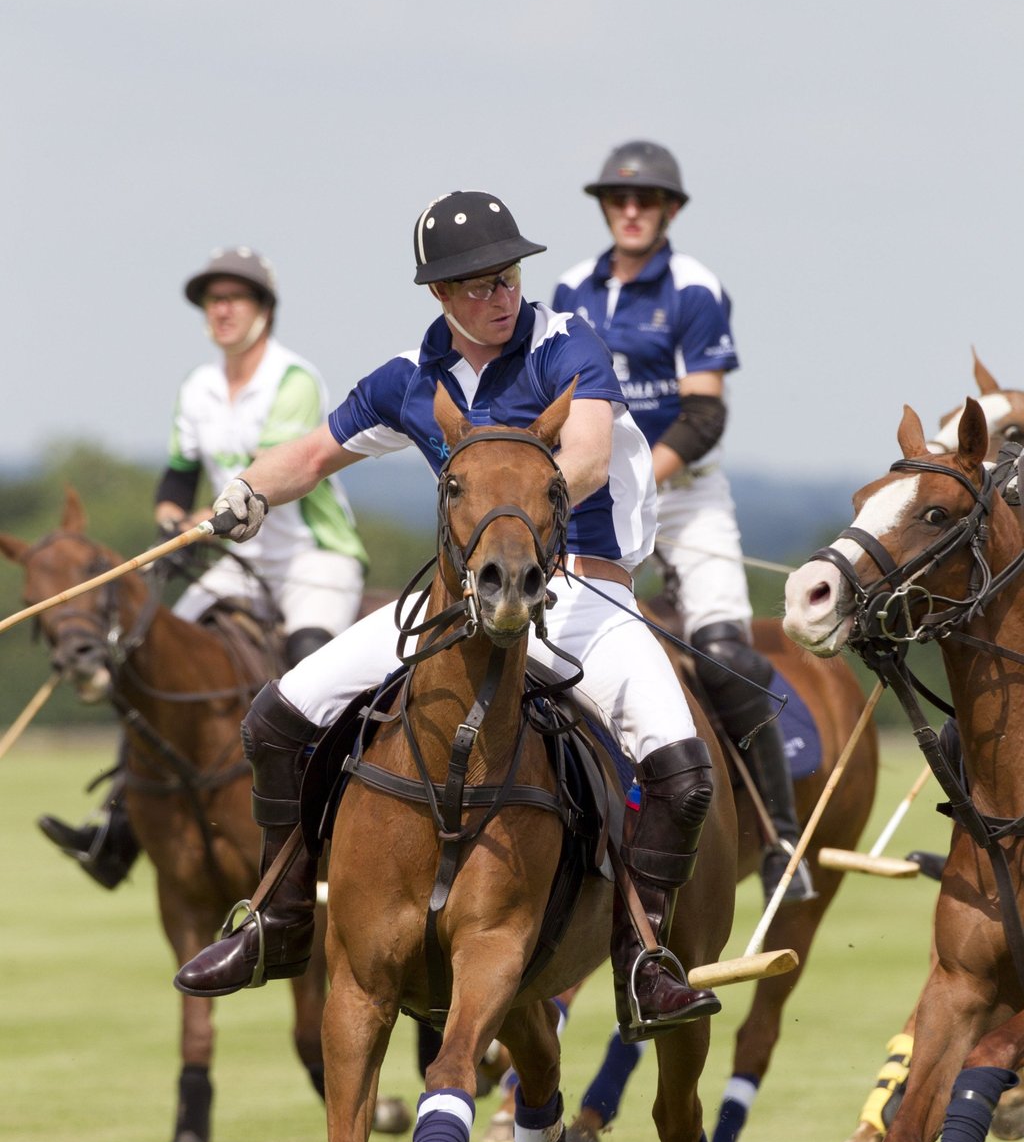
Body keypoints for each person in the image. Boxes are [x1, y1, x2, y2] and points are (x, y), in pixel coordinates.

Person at [174, 190, 721, 1043]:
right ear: (438, 295)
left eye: (506, 278)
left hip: (579, 588)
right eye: (475, 286)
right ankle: (278, 924)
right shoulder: (410, 376)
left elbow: (579, 456)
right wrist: (247, 492)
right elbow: (314, 453)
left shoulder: (567, 344)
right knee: (276, 719)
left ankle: (644, 961)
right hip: (452, 603)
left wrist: (515, 510)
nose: (498, 297)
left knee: (684, 772)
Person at [39, 246, 368, 889]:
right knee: (144, 651)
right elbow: (180, 469)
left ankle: (334, 825)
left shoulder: (292, 378)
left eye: (234, 298)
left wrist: (203, 516)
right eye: (212, 300)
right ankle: (115, 825)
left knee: (312, 667)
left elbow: (274, 466)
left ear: (263, 310)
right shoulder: (198, 388)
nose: (220, 310)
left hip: (312, 559)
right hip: (235, 558)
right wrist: (170, 514)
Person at [552, 141, 814, 906]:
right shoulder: (569, 289)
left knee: (726, 650)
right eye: (619, 200)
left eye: (648, 201)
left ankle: (781, 840)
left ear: (669, 210)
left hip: (686, 493)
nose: (632, 211)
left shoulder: (695, 289)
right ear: (605, 207)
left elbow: (703, 415)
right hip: (591, 497)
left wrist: (640, 479)